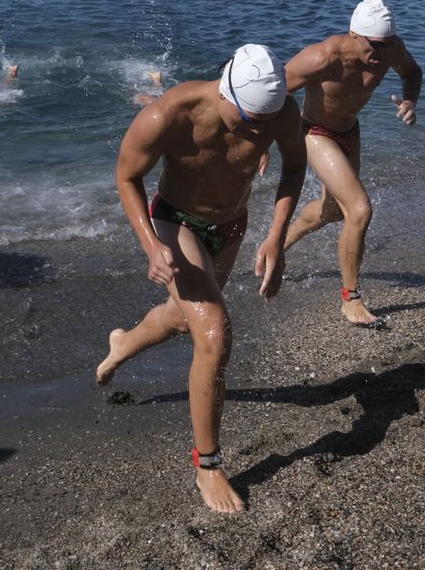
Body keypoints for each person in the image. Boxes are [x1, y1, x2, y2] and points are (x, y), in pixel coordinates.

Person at [94, 44, 306, 513]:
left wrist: (276, 236)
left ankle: (121, 346)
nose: (256, 131)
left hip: (231, 225)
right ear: (225, 90)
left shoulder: (280, 111)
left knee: (183, 317)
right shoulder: (168, 114)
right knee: (214, 332)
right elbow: (127, 177)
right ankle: (207, 464)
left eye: (263, 123)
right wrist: (153, 246)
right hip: (176, 222)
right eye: (248, 119)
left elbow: (294, 165)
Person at [281, 0, 423, 328]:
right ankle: (351, 298)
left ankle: (277, 247)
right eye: (374, 46)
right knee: (359, 210)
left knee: (333, 212)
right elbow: (275, 92)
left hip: (349, 133)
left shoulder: (389, 50)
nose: (380, 54)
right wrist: (262, 144)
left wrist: (411, 101)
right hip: (315, 133)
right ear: (353, 35)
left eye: (387, 45)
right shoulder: (322, 57)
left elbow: (412, 71)